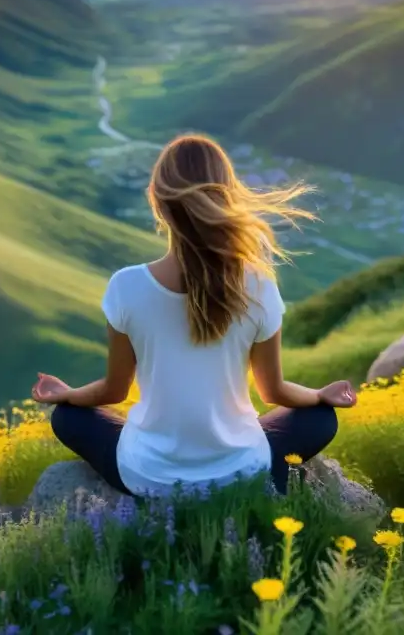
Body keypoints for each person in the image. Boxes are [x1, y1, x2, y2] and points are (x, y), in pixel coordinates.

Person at [31, 133, 357, 497]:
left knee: (67, 416)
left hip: (147, 476)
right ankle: (253, 483)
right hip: (241, 469)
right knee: (321, 419)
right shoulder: (259, 284)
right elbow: (274, 390)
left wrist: (68, 393)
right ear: (227, 197)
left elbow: (114, 390)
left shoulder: (126, 286)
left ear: (156, 200)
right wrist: (319, 395)